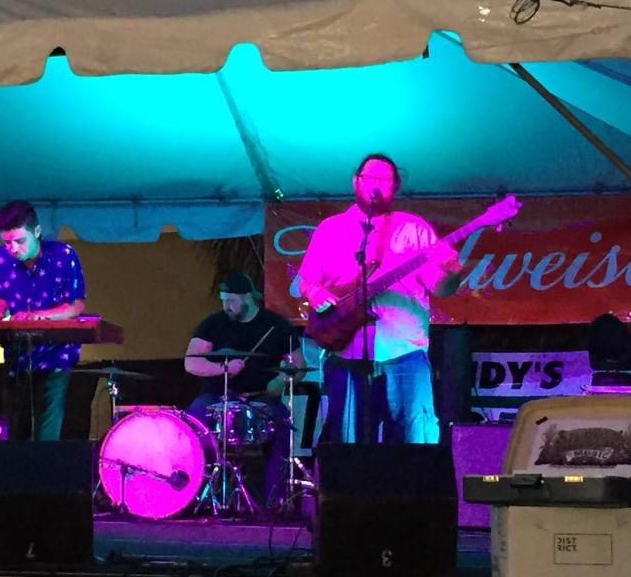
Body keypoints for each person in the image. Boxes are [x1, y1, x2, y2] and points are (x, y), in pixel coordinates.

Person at [297, 153, 462, 445]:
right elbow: (306, 281)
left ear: (395, 187)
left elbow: (441, 288)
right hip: (346, 355)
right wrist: (315, 293)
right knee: (349, 450)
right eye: (370, 178)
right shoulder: (330, 230)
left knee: (414, 449)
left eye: (384, 180)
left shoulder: (414, 229)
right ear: (355, 181)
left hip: (404, 353)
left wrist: (452, 272)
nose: (376, 185)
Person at [184, 272, 304, 508]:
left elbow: (298, 365)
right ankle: (191, 493)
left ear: (248, 297)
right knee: (192, 422)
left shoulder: (277, 325)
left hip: (260, 397)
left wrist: (280, 381)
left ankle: (273, 502)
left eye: (231, 300)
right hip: (217, 396)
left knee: (282, 427)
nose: (226, 306)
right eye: (223, 300)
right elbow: (191, 363)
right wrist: (223, 369)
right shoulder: (213, 324)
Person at [0, 200, 85, 441]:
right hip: (18, 355)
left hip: (56, 354)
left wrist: (38, 316)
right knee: (17, 434)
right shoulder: (1, 258)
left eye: (19, 240)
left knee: (46, 436)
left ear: (37, 231)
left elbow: (76, 306)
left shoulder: (64, 255)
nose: (13, 248)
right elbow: (3, 300)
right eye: (7, 242)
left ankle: (44, 466)